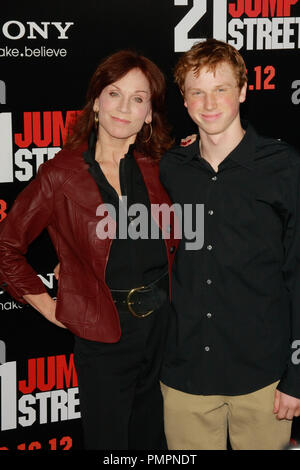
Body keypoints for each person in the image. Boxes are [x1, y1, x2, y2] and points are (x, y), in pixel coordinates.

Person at [0, 50, 180, 450]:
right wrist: (48, 305)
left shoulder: (164, 166)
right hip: (103, 333)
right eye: (114, 94)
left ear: (149, 113)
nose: (124, 107)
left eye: (139, 98)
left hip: (164, 329)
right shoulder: (60, 174)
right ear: (96, 102)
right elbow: (6, 247)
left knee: (155, 440)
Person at [159, 38, 300, 450]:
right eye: (197, 91)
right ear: (183, 100)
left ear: (242, 91)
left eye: (221, 88)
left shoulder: (285, 168)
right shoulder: (172, 166)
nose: (209, 102)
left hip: (264, 380)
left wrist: (297, 376)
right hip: (185, 375)